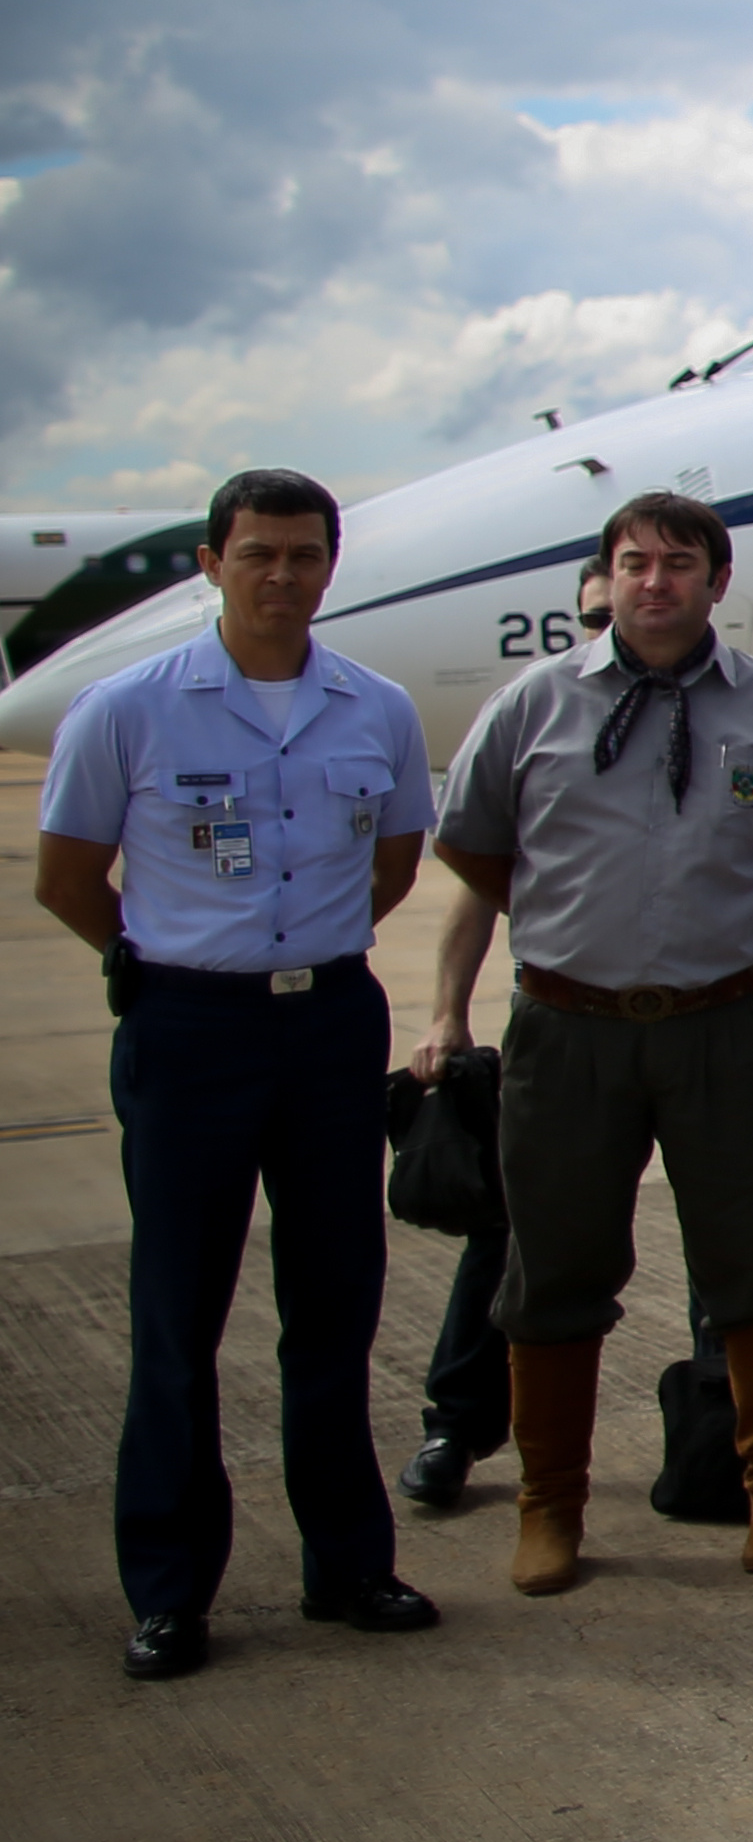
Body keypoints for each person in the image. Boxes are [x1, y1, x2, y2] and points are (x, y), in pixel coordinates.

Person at [414, 492, 753, 1594]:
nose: (653, 581)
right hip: (571, 1029)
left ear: (718, 579)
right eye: (633, 562)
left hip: (728, 1025)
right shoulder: (534, 703)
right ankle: (549, 1504)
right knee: (553, 1267)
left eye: (677, 562)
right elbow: (473, 849)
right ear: (607, 578)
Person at [37, 468, 439, 1681]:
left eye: (304, 554)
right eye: (258, 552)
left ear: (330, 566)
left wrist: (302, 953)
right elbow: (67, 875)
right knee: (178, 1317)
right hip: (187, 1031)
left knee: (334, 1308)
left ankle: (348, 1565)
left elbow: (396, 857)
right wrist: (163, 963)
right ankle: (169, 1589)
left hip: (324, 1027)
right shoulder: (130, 709)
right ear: (210, 563)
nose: (282, 575)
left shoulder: (376, 707)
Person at [395, 552, 604, 1515]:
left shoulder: (735, 709)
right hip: (559, 1023)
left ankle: (722, 1425)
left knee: (729, 1239)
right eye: (595, 613)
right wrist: (446, 1012)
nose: (615, 627)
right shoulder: (535, 716)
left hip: (705, 1022)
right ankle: (457, 1422)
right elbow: (478, 889)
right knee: (515, 1234)